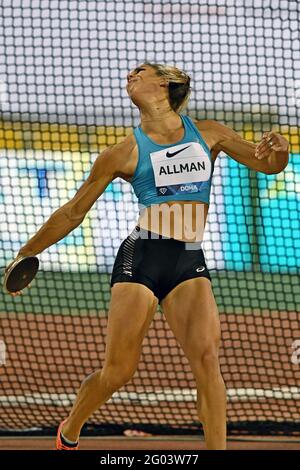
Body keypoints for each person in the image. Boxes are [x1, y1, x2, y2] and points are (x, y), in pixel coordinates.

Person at [7, 63, 289, 450]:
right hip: (142, 255)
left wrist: (282, 151)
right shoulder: (122, 152)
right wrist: (27, 251)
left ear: (165, 83)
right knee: (119, 371)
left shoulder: (209, 133)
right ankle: (70, 429)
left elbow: (267, 164)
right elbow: (74, 211)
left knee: (208, 360)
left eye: (140, 72)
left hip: (189, 259)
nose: (129, 77)